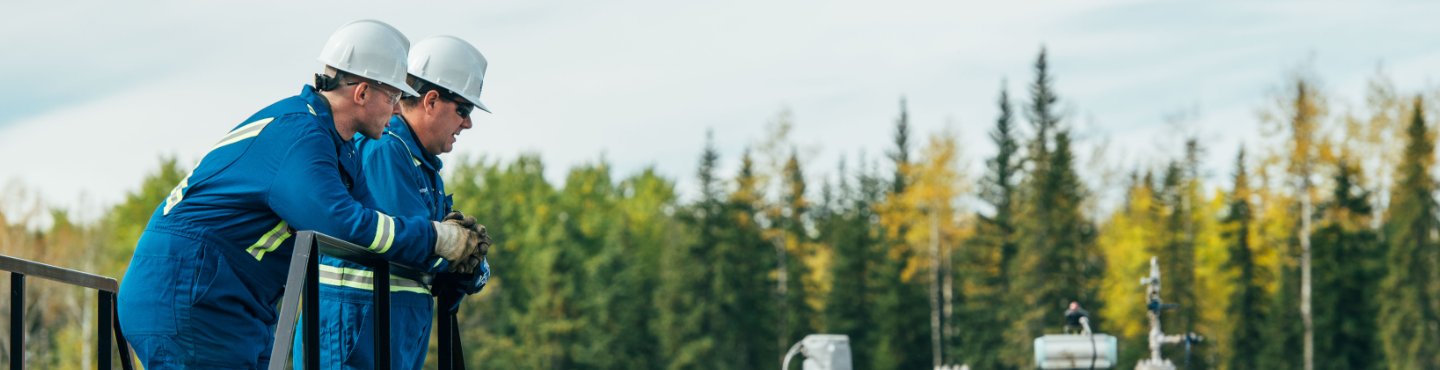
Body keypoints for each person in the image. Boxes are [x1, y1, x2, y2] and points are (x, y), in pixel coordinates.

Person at [116, 20, 485, 370]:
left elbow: (377, 226)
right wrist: (438, 238)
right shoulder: (303, 137)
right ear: (361, 92)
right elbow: (344, 225)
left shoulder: (336, 145)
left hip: (226, 297)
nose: (396, 109)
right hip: (188, 294)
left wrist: (437, 244)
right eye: (393, 97)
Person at [294, 35, 493, 370]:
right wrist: (456, 254)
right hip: (358, 328)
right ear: (431, 101)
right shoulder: (386, 149)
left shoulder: (423, 166)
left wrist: (471, 267)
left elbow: (440, 257)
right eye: (464, 109)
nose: (468, 123)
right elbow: (411, 244)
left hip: (387, 330)